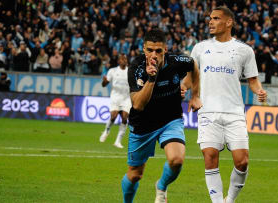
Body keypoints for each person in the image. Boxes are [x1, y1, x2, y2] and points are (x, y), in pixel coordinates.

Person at [185, 6, 267, 203]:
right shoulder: (200, 48)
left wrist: (259, 91)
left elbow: (253, 80)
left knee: (242, 161)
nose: (210, 22)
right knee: (210, 156)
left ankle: (229, 200)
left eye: (215, 18)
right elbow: (191, 76)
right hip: (208, 111)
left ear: (229, 22)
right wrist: (183, 87)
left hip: (234, 113)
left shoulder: (244, 50)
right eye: (209, 18)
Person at [121, 29, 201, 203]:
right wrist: (152, 79)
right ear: (143, 49)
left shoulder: (177, 61)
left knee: (176, 160)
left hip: (170, 119)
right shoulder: (136, 67)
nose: (154, 55)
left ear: (165, 49)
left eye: (158, 50)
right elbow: (138, 104)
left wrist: (194, 95)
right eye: (150, 50)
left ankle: (161, 186)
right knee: (135, 175)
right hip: (143, 124)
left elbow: (194, 66)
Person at [100, 54, 131, 148]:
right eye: (122, 59)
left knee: (125, 118)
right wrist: (104, 81)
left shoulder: (130, 71)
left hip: (126, 98)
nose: (124, 60)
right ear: (119, 61)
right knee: (113, 116)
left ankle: (118, 141)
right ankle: (106, 131)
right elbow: (104, 85)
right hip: (115, 97)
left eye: (125, 59)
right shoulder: (113, 71)